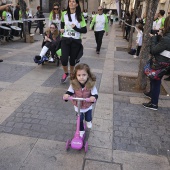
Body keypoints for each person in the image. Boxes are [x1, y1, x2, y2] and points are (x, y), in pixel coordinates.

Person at [143, 15, 170, 110]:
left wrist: (154, 38)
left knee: (156, 81)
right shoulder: (166, 37)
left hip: (160, 63)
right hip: (165, 62)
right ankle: (152, 94)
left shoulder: (167, 39)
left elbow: (153, 50)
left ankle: (154, 103)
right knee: (154, 79)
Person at [63, 63, 98, 137]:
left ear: (88, 75)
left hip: (87, 106)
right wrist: (66, 95)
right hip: (78, 106)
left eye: (84, 75)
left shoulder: (91, 85)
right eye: (79, 75)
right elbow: (69, 91)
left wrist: (93, 98)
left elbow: (95, 94)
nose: (81, 77)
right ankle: (81, 130)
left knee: (88, 117)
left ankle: (88, 121)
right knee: (80, 119)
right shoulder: (73, 84)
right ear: (76, 75)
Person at [60, 0, 87, 83]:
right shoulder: (64, 14)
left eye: (73, 2)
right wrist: (62, 30)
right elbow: (62, 24)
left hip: (75, 40)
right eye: (70, 1)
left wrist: (76, 28)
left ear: (77, 4)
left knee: (72, 60)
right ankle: (65, 73)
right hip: (65, 39)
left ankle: (72, 73)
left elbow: (84, 30)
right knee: (64, 59)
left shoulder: (80, 16)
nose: (71, 3)